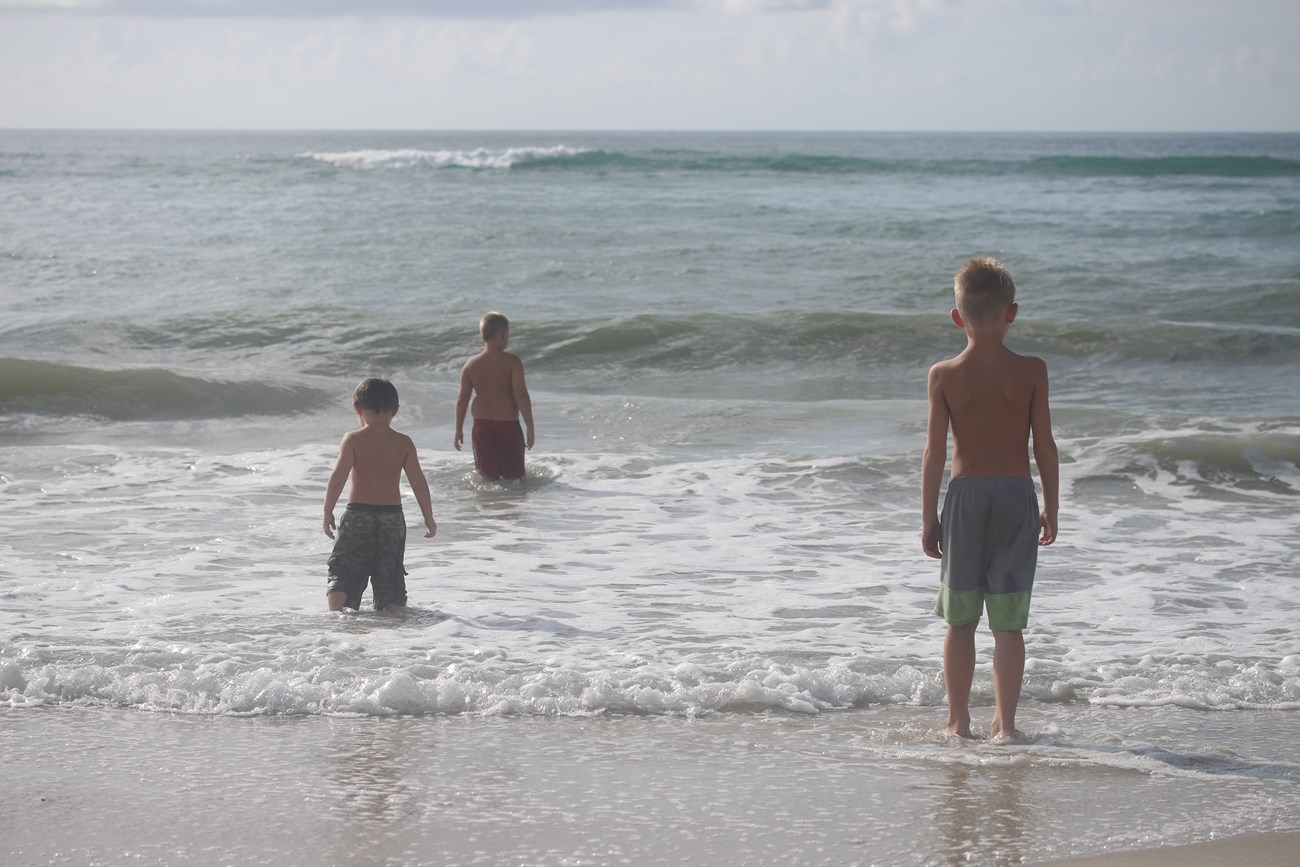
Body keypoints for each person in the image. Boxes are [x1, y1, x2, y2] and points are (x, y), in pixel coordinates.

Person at [921, 256, 1059, 742]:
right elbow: (1044, 445)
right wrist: (1051, 505)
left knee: (960, 620)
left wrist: (928, 519)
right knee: (1008, 621)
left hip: (964, 499)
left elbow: (934, 454)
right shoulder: (1032, 371)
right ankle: (1006, 726)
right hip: (1017, 497)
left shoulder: (943, 374)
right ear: (1012, 313)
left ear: (957, 317)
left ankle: (958, 722)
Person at [323, 377, 437, 612]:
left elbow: (338, 477)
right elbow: (419, 483)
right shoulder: (403, 442)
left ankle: (336, 617)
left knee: (343, 569)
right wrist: (429, 517)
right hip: (392, 519)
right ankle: (391, 623)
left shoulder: (353, 439)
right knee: (390, 576)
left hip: (357, 516)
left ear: (357, 408)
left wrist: (327, 511)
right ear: (395, 410)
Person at [454, 311, 535, 481]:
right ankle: (511, 505)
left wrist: (458, 429)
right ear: (503, 334)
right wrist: (530, 426)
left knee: (487, 477)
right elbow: (521, 395)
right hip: (507, 426)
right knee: (515, 477)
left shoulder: (470, 364)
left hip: (481, 426)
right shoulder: (512, 362)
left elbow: (462, 399)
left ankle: (490, 505)